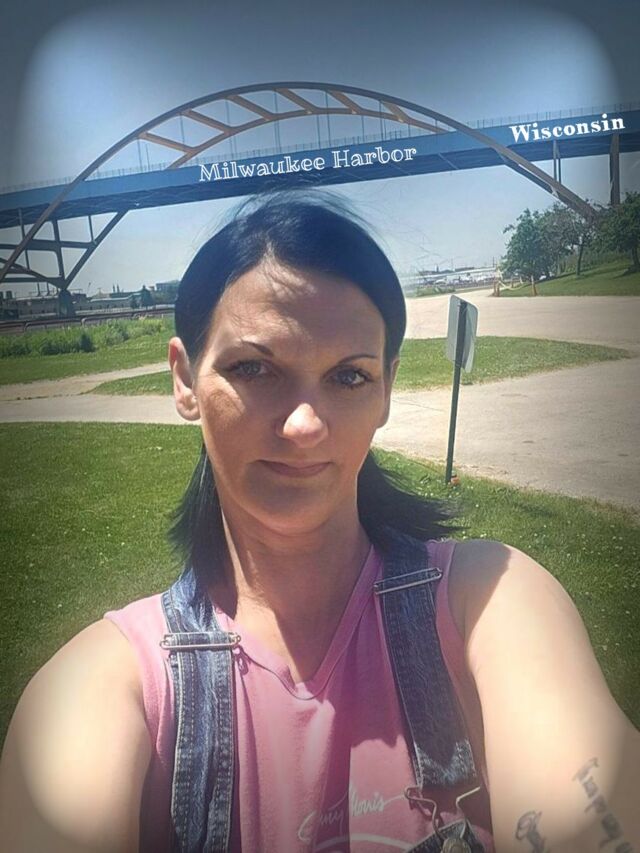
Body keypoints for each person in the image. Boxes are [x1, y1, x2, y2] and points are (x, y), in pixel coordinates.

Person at [0, 193, 638, 853]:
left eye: (349, 377)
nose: (305, 424)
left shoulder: (489, 605)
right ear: (184, 379)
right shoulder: (104, 689)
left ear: (387, 388)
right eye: (254, 368)